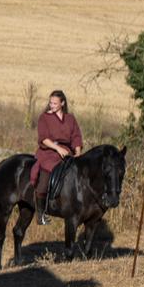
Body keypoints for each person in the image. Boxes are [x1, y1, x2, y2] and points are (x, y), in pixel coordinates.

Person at [30, 90, 84, 225]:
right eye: (50, 102)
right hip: (49, 151)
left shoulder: (70, 118)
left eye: (55, 103)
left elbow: (76, 136)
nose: (52, 105)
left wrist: (78, 153)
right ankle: (41, 214)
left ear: (62, 103)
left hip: (67, 152)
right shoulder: (44, 118)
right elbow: (43, 138)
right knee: (46, 174)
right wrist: (58, 148)